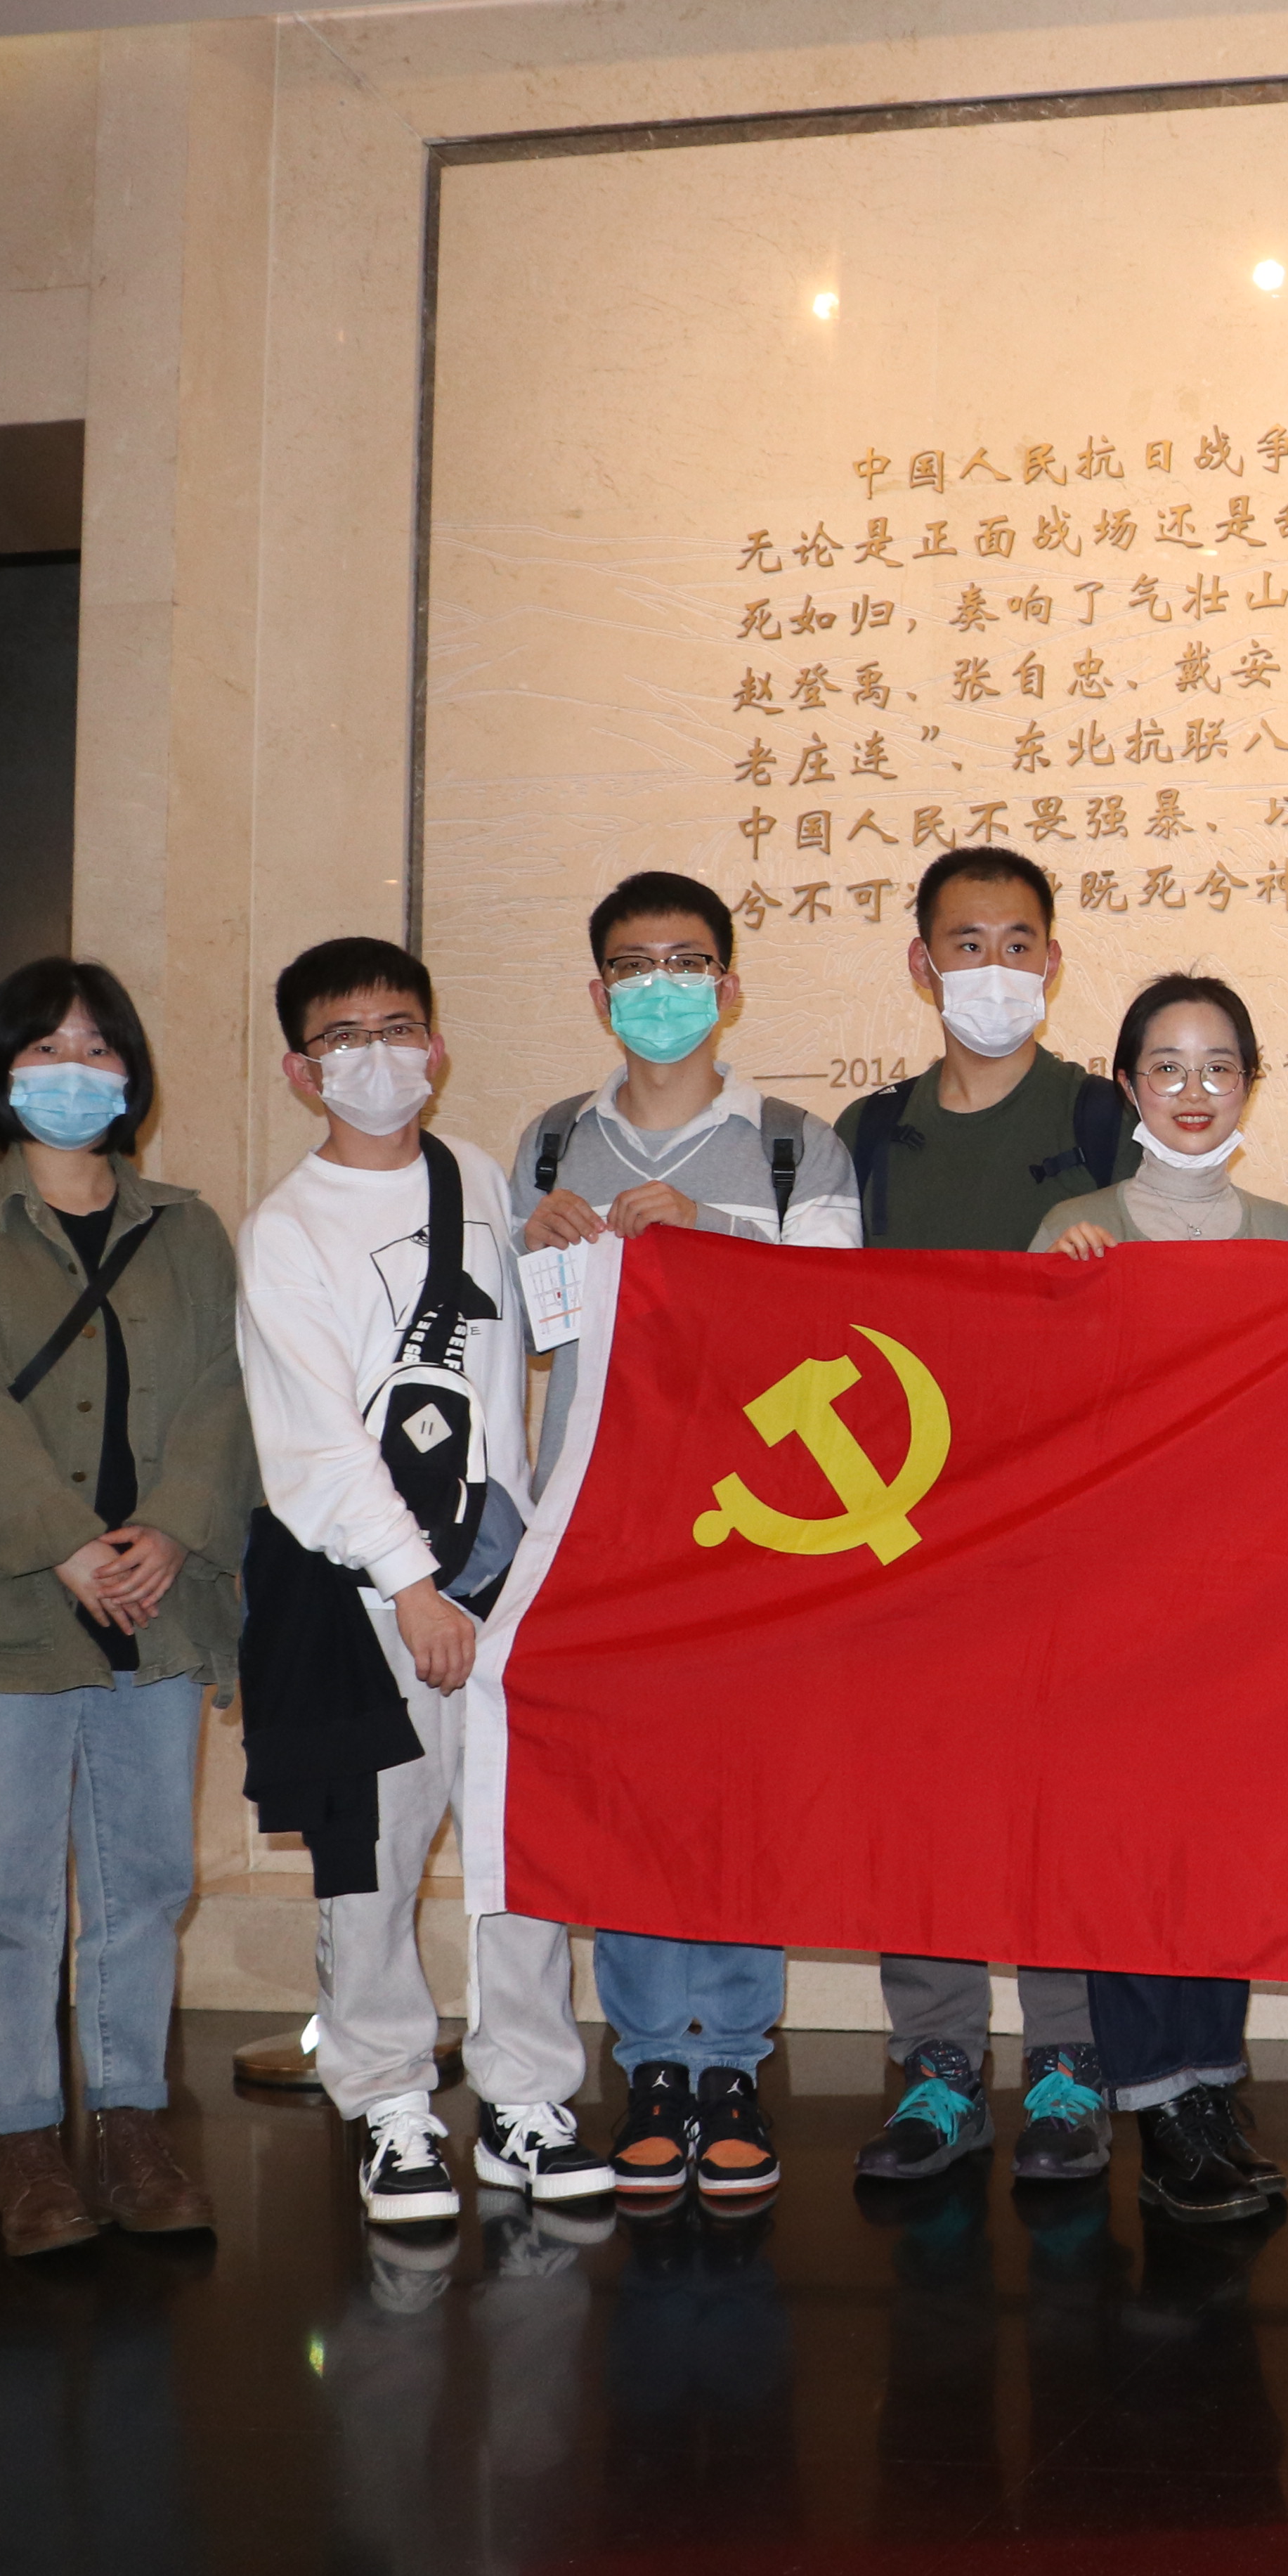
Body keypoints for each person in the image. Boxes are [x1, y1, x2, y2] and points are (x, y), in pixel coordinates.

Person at [0, 960, 251, 2253]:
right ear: (0, 1071)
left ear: (132, 1074)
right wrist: (67, 1545)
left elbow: (225, 1395)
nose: (72, 1071)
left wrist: (175, 1525)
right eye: (44, 1048)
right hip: (5, 1612)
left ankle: (133, 2125)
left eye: (96, 1047)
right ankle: (24, 2139)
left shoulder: (188, 1230)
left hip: (159, 1601)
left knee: (147, 1881)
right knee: (12, 1896)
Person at [238, 936, 606, 2229]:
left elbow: (531, 1351)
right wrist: (409, 1586)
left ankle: (525, 2098)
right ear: (302, 1070)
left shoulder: (478, 1179)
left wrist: (565, 1248)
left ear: (437, 1048)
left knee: (517, 1854)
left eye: (397, 1029)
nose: (376, 1056)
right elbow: (314, 1439)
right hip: (367, 1602)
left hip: (503, 1582)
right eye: (343, 1038)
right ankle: (391, 2103)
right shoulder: (285, 1231)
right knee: (373, 1861)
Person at [509, 869, 861, 2208]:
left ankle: (735, 2064)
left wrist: (710, 1235)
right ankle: (655, 2063)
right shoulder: (552, 1140)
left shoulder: (794, 1146)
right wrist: (533, 1243)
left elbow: (840, 1315)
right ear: (599, 993)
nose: (662, 986)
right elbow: (518, 1335)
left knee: (739, 1793)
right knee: (634, 1795)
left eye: (687, 962)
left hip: (753, 1526)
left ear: (729, 985)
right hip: (602, 1517)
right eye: (635, 965)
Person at [833, 848, 1139, 2190]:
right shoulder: (867, 1136)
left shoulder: (1104, 1119)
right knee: (924, 1796)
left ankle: (1070, 2061)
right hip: (909, 1523)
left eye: (1020, 944)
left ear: (1054, 964)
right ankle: (940, 2064)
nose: (995, 970)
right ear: (922, 965)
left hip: (1070, 1523)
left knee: (1065, 1794)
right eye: (968, 944)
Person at [1034, 970, 1288, 2223]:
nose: (1195, 1091)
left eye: (1220, 1066)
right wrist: (1062, 1299)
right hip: (1115, 1609)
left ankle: (1210, 2087)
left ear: (1250, 1084)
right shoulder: (1075, 1227)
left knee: (1220, 1855)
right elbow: (1030, 1417)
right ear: (1129, 1085)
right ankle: (1156, 2102)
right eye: (1169, 1067)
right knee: (1131, 1856)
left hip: (1247, 1605)